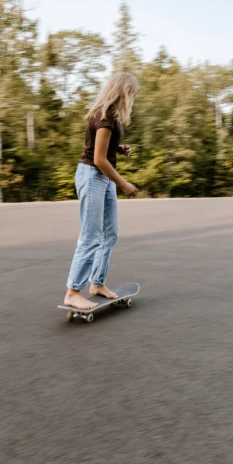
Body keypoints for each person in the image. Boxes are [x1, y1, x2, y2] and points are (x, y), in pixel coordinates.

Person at [63, 71, 140, 311]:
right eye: (132, 94)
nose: (133, 99)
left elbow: (103, 149)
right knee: (91, 236)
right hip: (94, 176)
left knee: (110, 234)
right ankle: (73, 291)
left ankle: (96, 283)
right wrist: (123, 183)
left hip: (103, 178)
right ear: (124, 92)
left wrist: (118, 149)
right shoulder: (105, 116)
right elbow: (98, 158)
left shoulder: (111, 117)